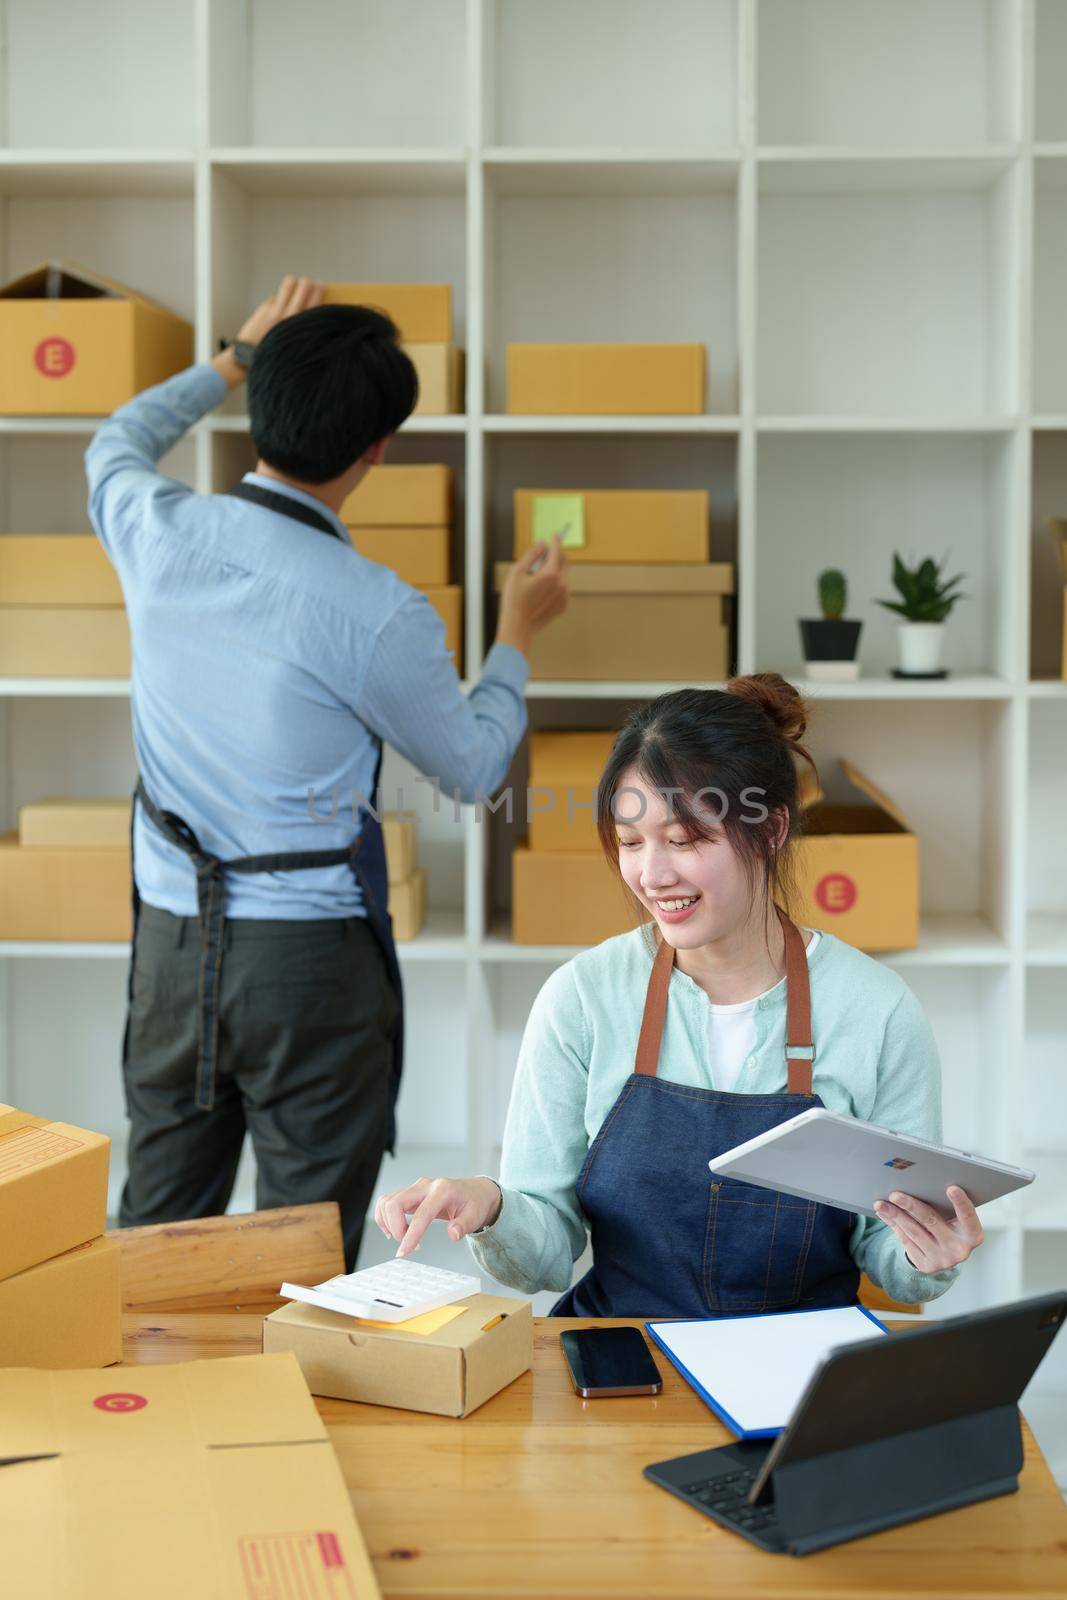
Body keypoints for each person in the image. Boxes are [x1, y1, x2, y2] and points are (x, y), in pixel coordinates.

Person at [85, 274, 568, 1265]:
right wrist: (515, 634)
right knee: (298, 1258)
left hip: (172, 955)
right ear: (375, 450)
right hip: (308, 970)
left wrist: (230, 355)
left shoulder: (154, 528)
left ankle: (141, 1416)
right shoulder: (376, 610)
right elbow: (475, 769)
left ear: (258, 405)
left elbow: (115, 439)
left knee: (152, 1248)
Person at [375, 674, 984, 1315]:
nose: (653, 874)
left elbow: (889, 1250)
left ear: (773, 829)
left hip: (799, 1372)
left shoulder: (877, 1011)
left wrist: (927, 1252)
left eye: (685, 840)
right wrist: (491, 1206)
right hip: (621, 1362)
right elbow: (546, 1253)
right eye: (632, 842)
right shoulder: (581, 999)